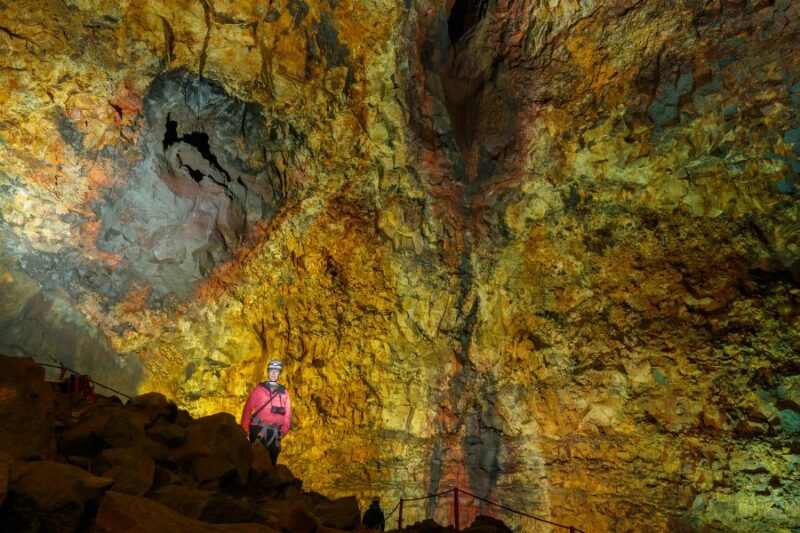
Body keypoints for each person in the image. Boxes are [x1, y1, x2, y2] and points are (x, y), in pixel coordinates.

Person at [241, 359, 291, 464]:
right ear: (268, 372)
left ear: (279, 374)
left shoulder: (284, 393)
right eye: (271, 370)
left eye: (276, 371)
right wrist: (244, 430)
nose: (273, 373)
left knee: (272, 463)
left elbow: (287, 415)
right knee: (255, 462)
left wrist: (284, 431)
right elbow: (248, 409)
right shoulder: (259, 389)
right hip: (258, 429)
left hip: (275, 432)